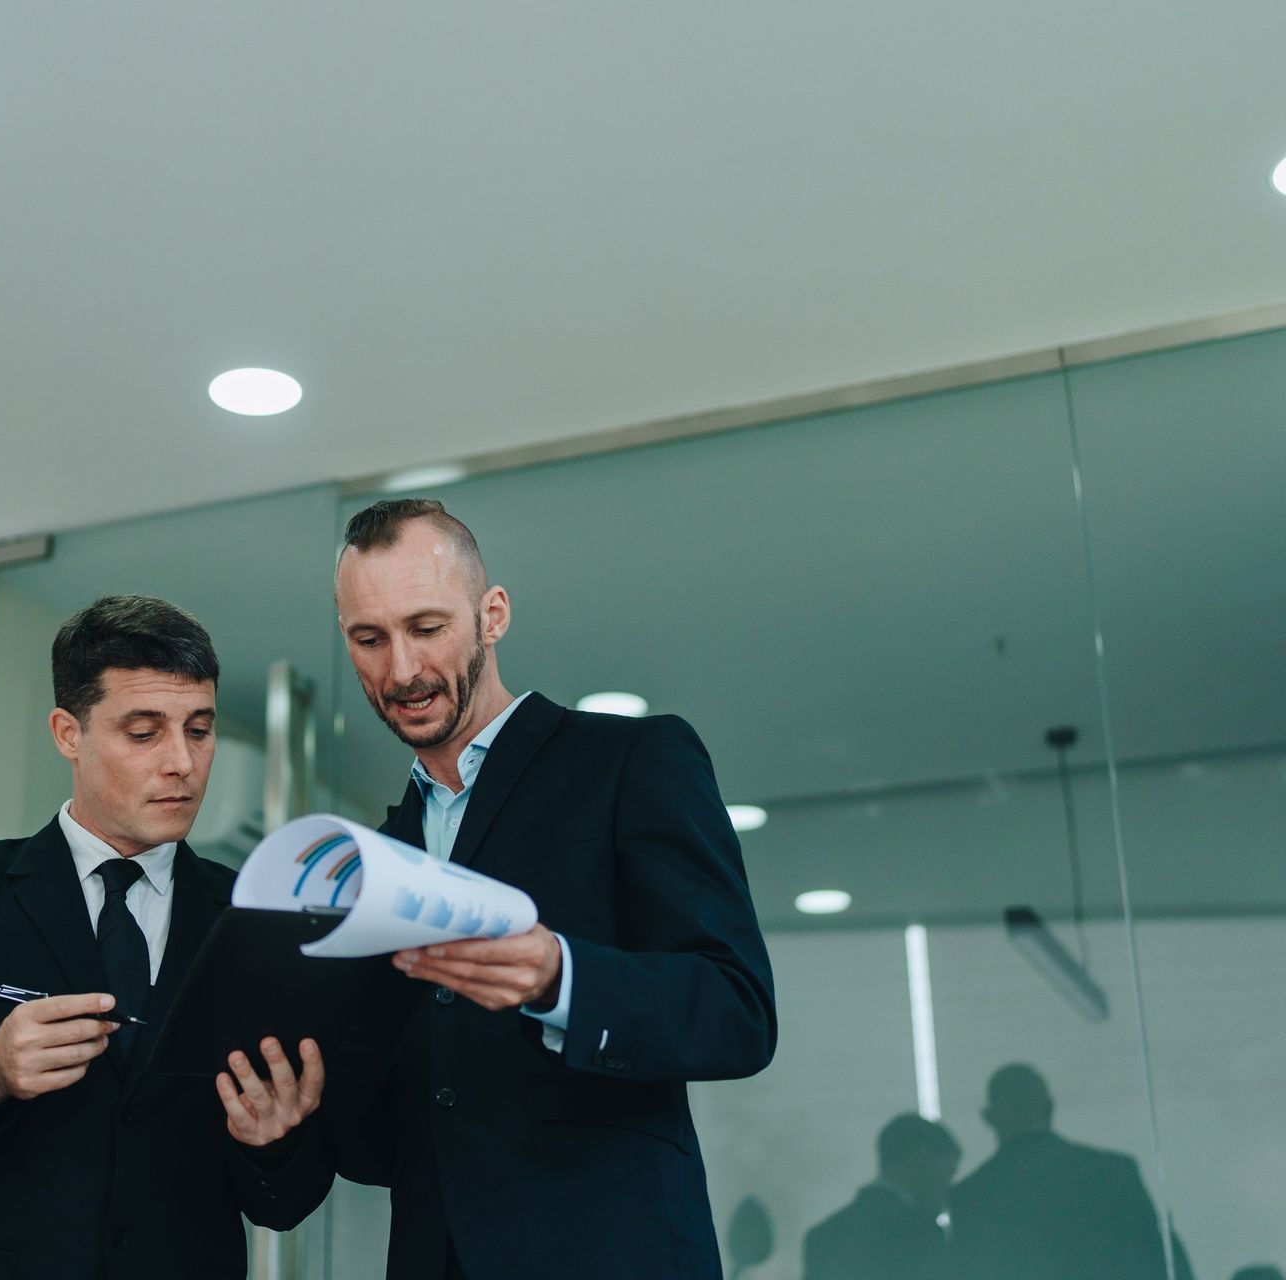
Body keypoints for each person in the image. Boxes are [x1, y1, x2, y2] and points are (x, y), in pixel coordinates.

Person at [0, 595, 333, 1279]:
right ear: (67, 732)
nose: (183, 763)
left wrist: (273, 1143)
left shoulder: (258, 919)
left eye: (198, 730)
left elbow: (288, 1203)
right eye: (144, 733)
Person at [325, 498, 778, 1280]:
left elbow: (737, 1010)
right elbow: (402, 1133)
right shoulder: (377, 859)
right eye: (370, 639)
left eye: (427, 628)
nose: (400, 670)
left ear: (491, 615)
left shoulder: (633, 759)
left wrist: (562, 977)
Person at [947, 1063, 1169, 1280]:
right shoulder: (1113, 1171)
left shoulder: (971, 1196)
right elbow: (1158, 1259)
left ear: (989, 1117)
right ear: (1050, 1107)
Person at [802, 1113, 959, 1280]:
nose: (948, 1185)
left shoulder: (823, 1235)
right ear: (921, 1157)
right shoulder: (921, 1232)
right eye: (948, 1172)